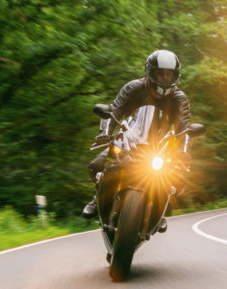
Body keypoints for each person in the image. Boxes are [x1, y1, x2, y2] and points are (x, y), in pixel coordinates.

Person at [81, 50, 191, 234]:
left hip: (160, 147)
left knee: (177, 180)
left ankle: (160, 210)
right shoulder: (134, 88)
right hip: (131, 137)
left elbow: (184, 130)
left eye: (168, 74)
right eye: (160, 73)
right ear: (150, 72)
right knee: (95, 165)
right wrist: (104, 134)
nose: (164, 78)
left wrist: (184, 154)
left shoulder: (179, 99)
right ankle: (98, 196)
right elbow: (113, 110)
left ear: (175, 75)